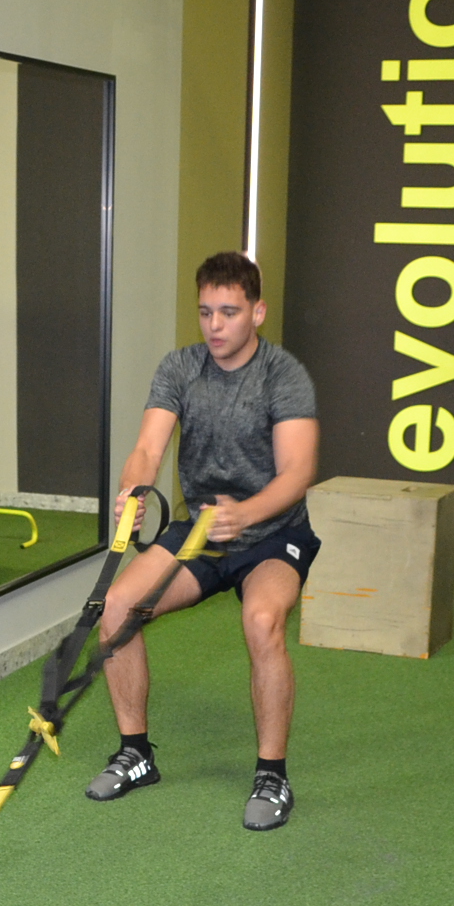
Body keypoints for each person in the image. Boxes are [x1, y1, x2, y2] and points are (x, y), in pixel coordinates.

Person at [86, 250, 320, 831]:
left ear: (257, 312)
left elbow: (297, 472)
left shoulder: (283, 375)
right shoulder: (180, 368)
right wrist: (134, 489)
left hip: (274, 533)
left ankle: (272, 774)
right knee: (116, 607)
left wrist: (247, 514)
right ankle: (136, 754)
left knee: (262, 621)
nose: (215, 325)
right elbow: (148, 447)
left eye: (229, 313)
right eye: (206, 312)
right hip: (201, 533)